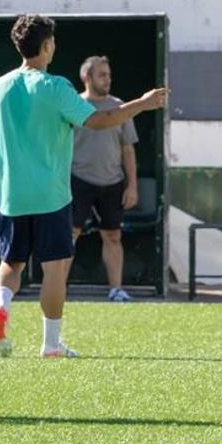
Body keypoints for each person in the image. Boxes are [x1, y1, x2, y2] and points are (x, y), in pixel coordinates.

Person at [0, 15, 167, 358]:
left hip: (13, 197)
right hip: (52, 196)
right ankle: (50, 344)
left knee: (10, 266)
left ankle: (1, 305)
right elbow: (101, 121)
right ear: (47, 47)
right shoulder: (56, 87)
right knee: (55, 267)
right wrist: (143, 103)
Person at [70, 55, 141, 302]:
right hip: (78, 180)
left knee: (113, 235)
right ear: (86, 78)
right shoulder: (73, 106)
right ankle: (58, 288)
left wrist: (132, 185)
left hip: (112, 183)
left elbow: (128, 149)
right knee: (70, 234)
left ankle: (116, 290)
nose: (107, 79)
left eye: (109, 75)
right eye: (102, 75)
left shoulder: (120, 107)